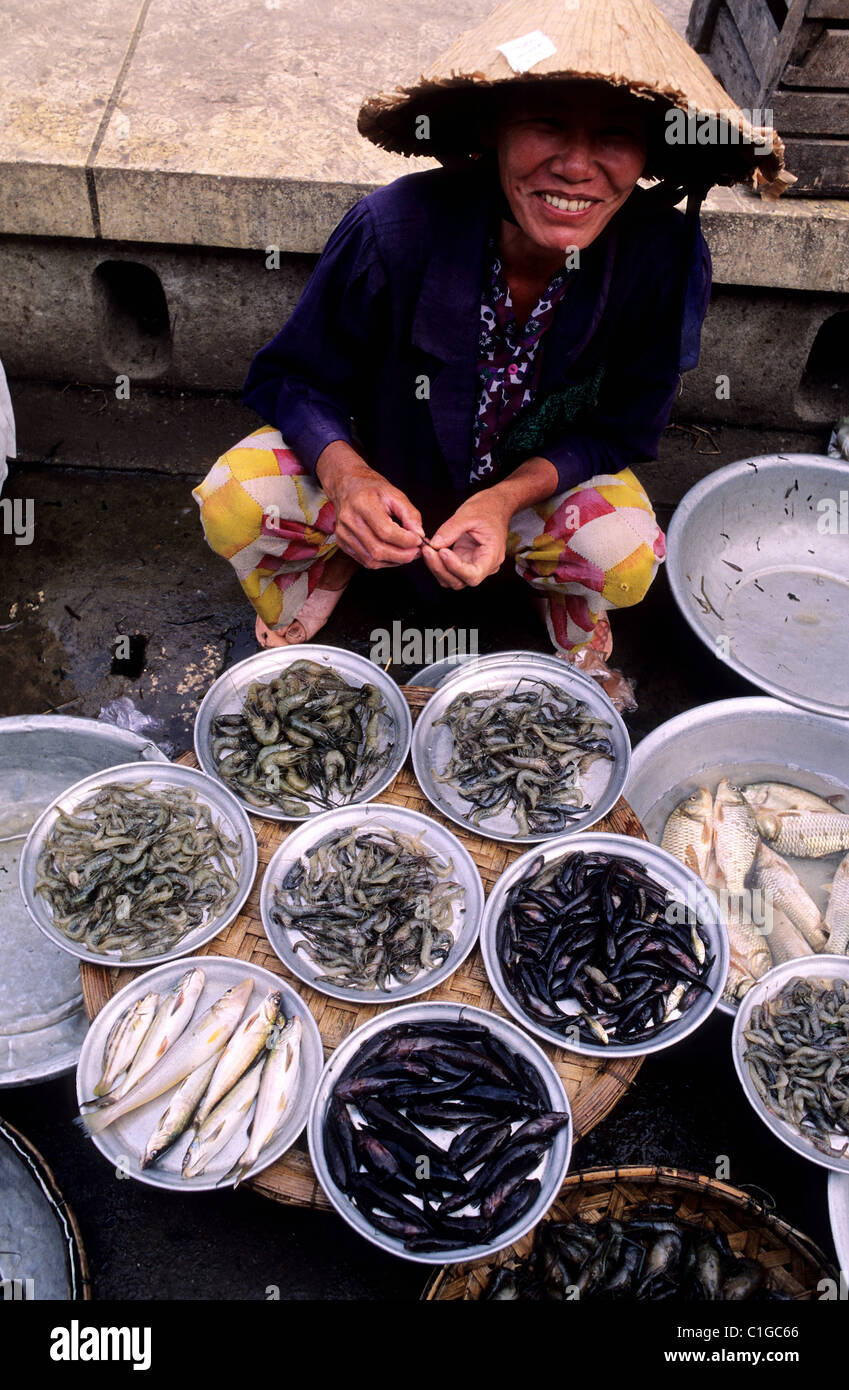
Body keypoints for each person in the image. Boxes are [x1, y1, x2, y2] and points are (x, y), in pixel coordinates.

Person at [193, 0, 787, 657]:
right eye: (545, 124)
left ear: (649, 152)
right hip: (384, 471)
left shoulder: (660, 258)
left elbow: (615, 431)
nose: (575, 166)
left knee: (623, 557)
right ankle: (341, 558)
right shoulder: (393, 229)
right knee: (234, 502)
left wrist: (502, 502)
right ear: (491, 133)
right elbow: (293, 381)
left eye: (615, 135)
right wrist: (347, 479)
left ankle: (546, 580)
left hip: (531, 487)